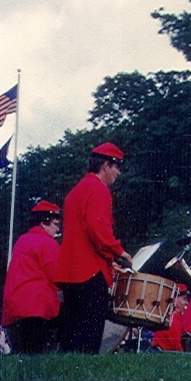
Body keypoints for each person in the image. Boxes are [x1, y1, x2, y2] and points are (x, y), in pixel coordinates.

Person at [55, 143, 133, 353]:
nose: (118, 173)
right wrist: (119, 252)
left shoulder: (75, 192)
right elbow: (97, 228)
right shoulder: (99, 189)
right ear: (106, 165)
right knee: (89, 339)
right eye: (117, 167)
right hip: (90, 273)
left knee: (71, 338)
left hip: (70, 274)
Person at [2, 200, 63, 354]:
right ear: (44, 222)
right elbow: (57, 277)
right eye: (56, 224)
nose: (57, 229)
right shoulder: (48, 243)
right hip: (37, 309)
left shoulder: (21, 241)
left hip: (14, 309)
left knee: (22, 356)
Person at [150, 284, 191, 352]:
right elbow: (179, 349)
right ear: (174, 300)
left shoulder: (171, 317)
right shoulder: (172, 320)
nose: (187, 303)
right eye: (184, 299)